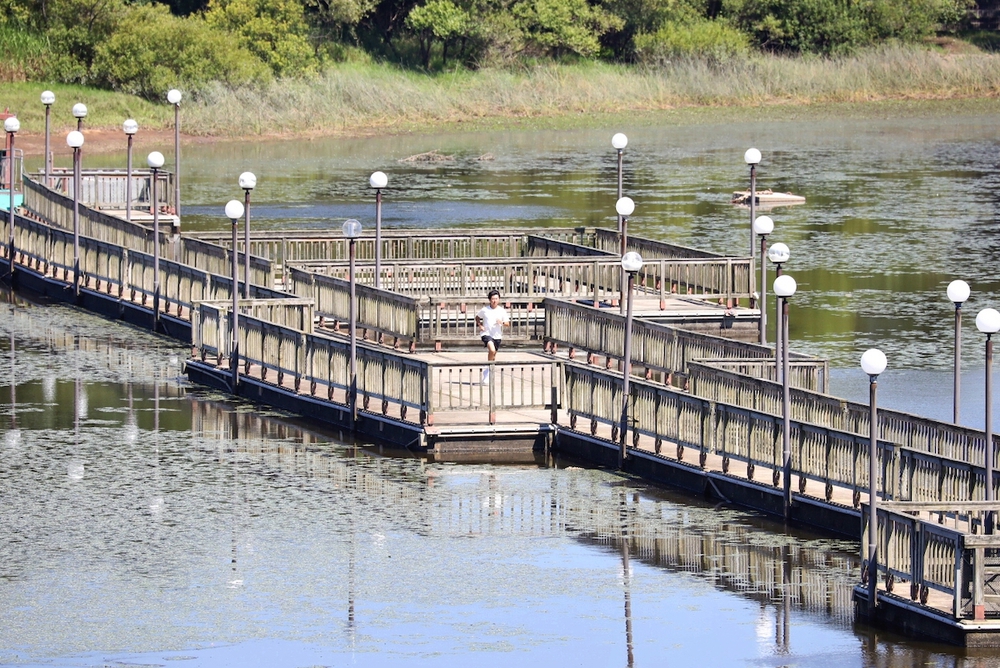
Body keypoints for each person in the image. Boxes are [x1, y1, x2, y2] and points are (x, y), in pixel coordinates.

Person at [475, 289, 509, 382]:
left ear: (499, 299)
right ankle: (488, 369)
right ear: (490, 299)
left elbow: (507, 323)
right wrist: (480, 325)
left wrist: (501, 322)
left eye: (496, 299)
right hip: (486, 333)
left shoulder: (502, 311)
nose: (494, 301)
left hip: (497, 335)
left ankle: (488, 370)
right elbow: (477, 317)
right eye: (493, 299)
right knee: (492, 350)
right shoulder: (485, 310)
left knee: (493, 355)